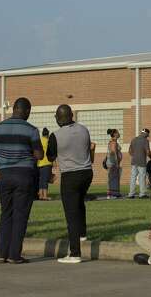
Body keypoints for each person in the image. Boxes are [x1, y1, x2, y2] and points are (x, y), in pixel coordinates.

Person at [0, 97, 44, 264]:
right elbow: (39, 155)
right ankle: (14, 255)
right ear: (24, 111)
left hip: (4, 174)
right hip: (24, 174)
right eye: (29, 111)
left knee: (6, 213)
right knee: (20, 215)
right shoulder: (31, 130)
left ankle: (1, 253)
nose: (29, 114)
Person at [46, 105, 94, 264]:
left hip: (70, 175)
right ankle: (82, 235)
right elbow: (87, 148)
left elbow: (50, 155)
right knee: (80, 203)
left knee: (71, 213)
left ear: (58, 119)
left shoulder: (55, 135)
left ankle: (74, 253)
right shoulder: (84, 129)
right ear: (72, 115)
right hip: (87, 172)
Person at [128, 128, 151, 199]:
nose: (148, 136)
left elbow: (129, 151)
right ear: (146, 134)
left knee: (133, 177)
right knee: (142, 177)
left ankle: (131, 194)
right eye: (148, 134)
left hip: (134, 161)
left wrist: (134, 155)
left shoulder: (134, 139)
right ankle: (142, 194)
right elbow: (148, 152)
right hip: (141, 161)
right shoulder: (145, 141)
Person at [37, 128, 53, 201]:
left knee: (41, 180)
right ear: (48, 134)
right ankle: (45, 196)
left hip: (39, 163)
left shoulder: (39, 141)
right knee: (45, 180)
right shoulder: (48, 141)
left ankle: (40, 195)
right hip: (47, 163)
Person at [106, 128, 122, 199]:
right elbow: (114, 153)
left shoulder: (114, 142)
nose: (119, 134)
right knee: (112, 178)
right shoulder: (113, 142)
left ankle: (116, 193)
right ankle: (111, 194)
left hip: (113, 163)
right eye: (118, 132)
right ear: (115, 134)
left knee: (115, 178)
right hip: (113, 163)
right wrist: (117, 162)